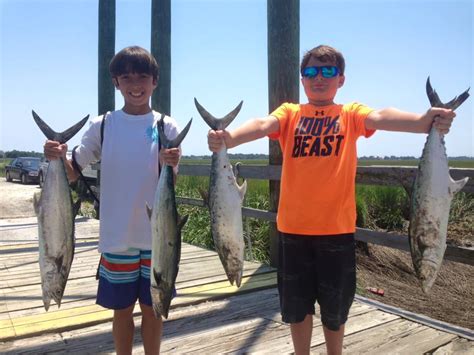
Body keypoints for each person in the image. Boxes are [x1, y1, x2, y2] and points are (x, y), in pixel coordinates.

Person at [207, 45, 455, 355]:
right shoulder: (290, 112)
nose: (318, 78)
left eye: (327, 72)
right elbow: (261, 125)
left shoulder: (350, 114)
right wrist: (229, 138)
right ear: (302, 78)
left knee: (335, 310)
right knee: (297, 308)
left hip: (336, 231)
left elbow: (380, 116)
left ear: (341, 79)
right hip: (293, 231)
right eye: (310, 72)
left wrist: (422, 122)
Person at [44, 45, 181, 354]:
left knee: (154, 308)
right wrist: (58, 157)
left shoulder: (166, 126)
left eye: (142, 77)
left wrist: (169, 161)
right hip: (117, 236)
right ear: (116, 83)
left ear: (154, 82)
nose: (135, 85)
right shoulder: (102, 124)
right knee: (121, 311)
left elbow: (171, 182)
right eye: (126, 77)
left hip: (159, 239)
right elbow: (73, 173)